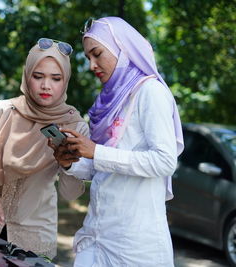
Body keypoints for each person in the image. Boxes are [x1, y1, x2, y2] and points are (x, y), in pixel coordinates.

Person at [49, 17, 184, 266]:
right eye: (88, 57)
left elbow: (165, 161)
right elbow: (104, 169)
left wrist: (96, 152)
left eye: (97, 54)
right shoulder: (110, 101)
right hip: (97, 236)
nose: (92, 65)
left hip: (135, 246)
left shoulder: (150, 92)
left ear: (123, 48)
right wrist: (71, 162)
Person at [0, 38, 89, 259]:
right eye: (38, 76)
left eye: (56, 78)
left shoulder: (75, 126)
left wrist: (68, 163)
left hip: (34, 235)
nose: (46, 85)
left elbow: (70, 194)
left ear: (66, 81)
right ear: (27, 75)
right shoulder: (4, 111)